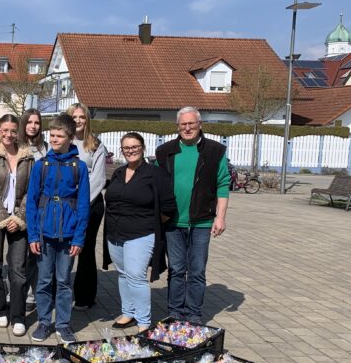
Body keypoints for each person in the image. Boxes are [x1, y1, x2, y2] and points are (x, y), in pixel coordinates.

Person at [155, 106, 230, 324]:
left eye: (191, 124)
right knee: (177, 269)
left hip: (202, 221)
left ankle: (195, 314)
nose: (187, 128)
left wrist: (220, 217)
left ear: (199, 125)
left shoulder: (215, 151)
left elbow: (223, 185)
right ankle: (176, 312)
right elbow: (156, 184)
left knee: (196, 270)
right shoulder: (165, 151)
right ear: (177, 126)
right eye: (183, 124)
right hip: (173, 221)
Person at [26, 113, 90, 343]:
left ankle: (63, 324)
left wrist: (79, 238)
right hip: (44, 234)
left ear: (70, 137)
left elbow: (83, 205)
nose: (53, 139)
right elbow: (31, 202)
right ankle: (44, 322)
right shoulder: (41, 166)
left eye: (59, 135)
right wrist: (32, 234)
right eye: (51, 135)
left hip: (68, 235)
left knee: (63, 281)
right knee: (44, 281)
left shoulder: (79, 167)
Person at [104, 133, 177, 332]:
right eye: (126, 148)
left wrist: (152, 223)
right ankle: (128, 312)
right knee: (122, 274)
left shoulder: (155, 173)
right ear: (122, 150)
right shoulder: (118, 172)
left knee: (136, 276)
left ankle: (144, 322)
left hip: (141, 234)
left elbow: (168, 206)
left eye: (135, 146)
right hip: (115, 234)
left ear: (143, 148)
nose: (131, 151)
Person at [0, 114, 35, 336]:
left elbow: (33, 191)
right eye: (5, 130)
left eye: (13, 131)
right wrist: (3, 217)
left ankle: (18, 315)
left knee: (18, 270)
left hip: (20, 220)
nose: (9, 135)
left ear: (18, 132)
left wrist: (19, 218)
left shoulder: (28, 158)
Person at [67, 103, 107, 311]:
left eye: (82, 117)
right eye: (74, 117)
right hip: (66, 204)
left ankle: (84, 296)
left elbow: (98, 180)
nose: (79, 120)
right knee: (64, 248)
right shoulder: (62, 142)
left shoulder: (96, 145)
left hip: (90, 205)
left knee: (86, 249)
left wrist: (80, 205)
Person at [18, 108, 46, 313]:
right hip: (20, 207)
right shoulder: (17, 146)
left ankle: (33, 295)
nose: (33, 126)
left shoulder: (45, 148)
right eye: (29, 122)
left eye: (36, 122)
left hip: (41, 207)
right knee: (19, 256)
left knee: (36, 253)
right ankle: (19, 292)